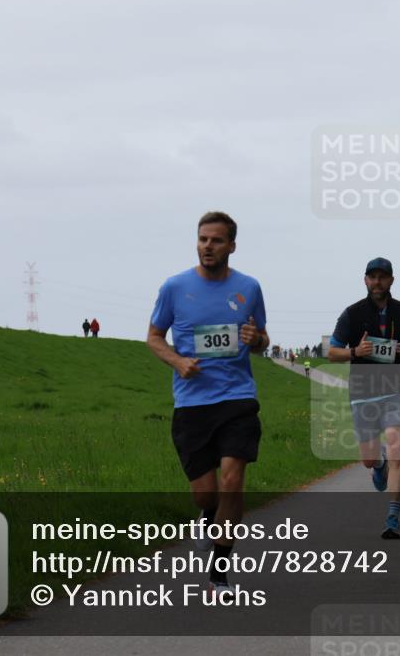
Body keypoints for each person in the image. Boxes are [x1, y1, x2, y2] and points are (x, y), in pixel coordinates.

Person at [147, 211, 270, 600]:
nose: (208, 247)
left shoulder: (249, 287)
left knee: (233, 483)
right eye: (202, 239)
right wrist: (178, 361)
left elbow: (262, 338)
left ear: (232, 245)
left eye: (216, 240)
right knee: (207, 495)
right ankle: (205, 517)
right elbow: (153, 337)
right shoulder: (174, 287)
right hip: (193, 403)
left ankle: (219, 573)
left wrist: (256, 339)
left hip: (237, 398)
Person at [328, 257, 400, 539]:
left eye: (382, 277)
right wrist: (354, 352)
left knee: (397, 451)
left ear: (391, 280)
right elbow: (332, 352)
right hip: (362, 392)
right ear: (365, 280)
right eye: (372, 277)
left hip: (395, 390)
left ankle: (393, 516)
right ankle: (379, 465)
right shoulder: (352, 313)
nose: (377, 282)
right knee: (369, 460)